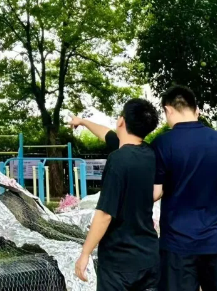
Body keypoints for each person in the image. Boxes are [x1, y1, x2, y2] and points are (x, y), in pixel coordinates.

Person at [152, 85, 217, 291]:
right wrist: (213, 182)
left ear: (168, 110)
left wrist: (174, 182)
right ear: (196, 110)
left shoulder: (161, 144)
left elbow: (154, 193)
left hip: (177, 247)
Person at [73, 99, 160, 291]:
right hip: (149, 257)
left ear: (121, 121)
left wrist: (85, 253)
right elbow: (105, 133)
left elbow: (105, 214)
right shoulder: (150, 154)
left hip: (119, 263)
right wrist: (83, 121)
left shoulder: (118, 159)